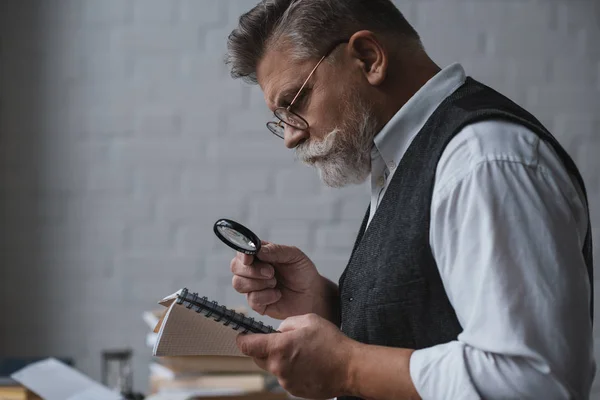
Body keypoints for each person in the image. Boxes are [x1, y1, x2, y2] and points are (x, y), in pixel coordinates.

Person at [224, 1, 595, 399]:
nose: (291, 136)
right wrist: (327, 306)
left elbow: (532, 380)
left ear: (368, 58)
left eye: (296, 101)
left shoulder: (482, 160)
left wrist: (346, 367)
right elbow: (431, 323)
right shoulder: (408, 157)